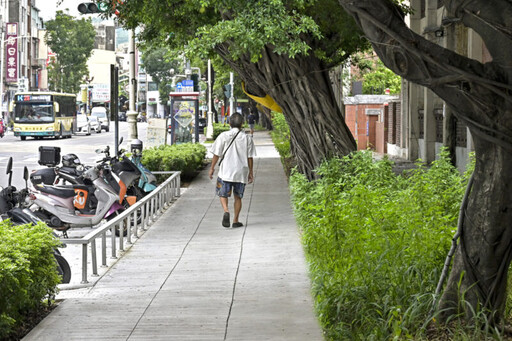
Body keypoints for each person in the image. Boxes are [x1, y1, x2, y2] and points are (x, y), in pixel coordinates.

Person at [209, 113, 256, 228]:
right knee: (238, 197)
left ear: (229, 123)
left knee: (222, 193)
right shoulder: (247, 138)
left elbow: (216, 154)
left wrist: (212, 168)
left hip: (226, 172)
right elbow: (250, 157)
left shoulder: (223, 136)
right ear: (242, 124)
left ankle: (226, 210)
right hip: (241, 172)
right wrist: (250, 172)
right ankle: (235, 220)